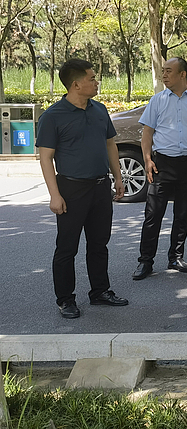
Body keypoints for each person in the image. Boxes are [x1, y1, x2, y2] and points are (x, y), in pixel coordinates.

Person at [36, 59, 129, 319]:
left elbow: (110, 144)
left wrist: (118, 177)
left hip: (100, 186)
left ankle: (100, 291)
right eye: (92, 78)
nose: (96, 82)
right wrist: (55, 195)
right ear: (76, 84)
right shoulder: (53, 116)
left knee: (99, 243)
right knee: (67, 248)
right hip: (71, 188)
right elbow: (46, 158)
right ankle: (65, 299)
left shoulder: (99, 109)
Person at [133, 57, 187, 280]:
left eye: (169, 71)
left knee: (182, 214)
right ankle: (145, 261)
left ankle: (176, 257)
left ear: (183, 74)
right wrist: (147, 160)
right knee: (153, 214)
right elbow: (147, 133)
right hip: (162, 164)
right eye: (163, 71)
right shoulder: (158, 100)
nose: (164, 75)